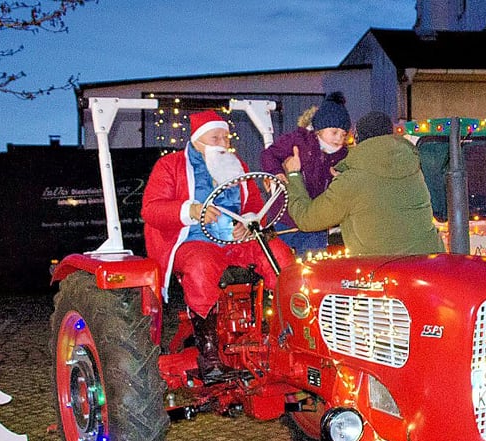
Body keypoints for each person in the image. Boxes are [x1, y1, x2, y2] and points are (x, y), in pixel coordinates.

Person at [142, 109, 292, 380]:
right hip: (193, 239)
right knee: (201, 265)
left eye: (226, 138)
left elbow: (254, 204)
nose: (224, 144)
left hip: (237, 241)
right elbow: (151, 210)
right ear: (197, 140)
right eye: (216, 138)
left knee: (278, 254)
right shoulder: (170, 166)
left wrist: (249, 220)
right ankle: (208, 351)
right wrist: (190, 210)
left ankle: (281, 333)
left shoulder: (236, 165)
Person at [281, 110, 445, 256]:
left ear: (358, 139)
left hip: (382, 272)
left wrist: (294, 174)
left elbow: (307, 219)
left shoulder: (351, 182)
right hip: (429, 265)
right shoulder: (413, 170)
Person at [261, 92, 350, 255]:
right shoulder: (298, 141)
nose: (339, 139)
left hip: (315, 220)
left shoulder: (343, 156)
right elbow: (269, 154)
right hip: (284, 215)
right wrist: (276, 172)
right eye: (334, 132)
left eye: (343, 134)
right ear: (320, 129)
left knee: (312, 259)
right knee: (278, 257)